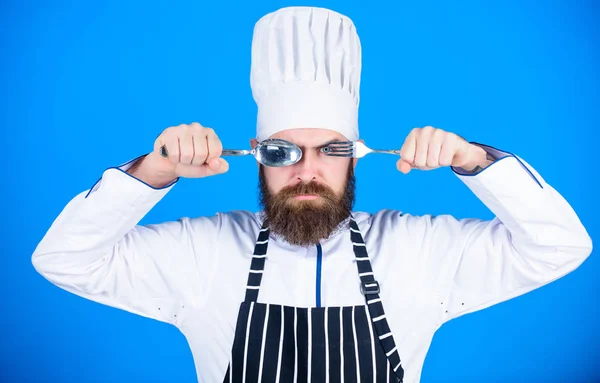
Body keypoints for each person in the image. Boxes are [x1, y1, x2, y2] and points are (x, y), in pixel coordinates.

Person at [32, 6, 592, 383]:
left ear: (355, 153)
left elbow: (560, 247)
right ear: (254, 152)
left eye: (331, 149)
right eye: (282, 152)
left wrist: (475, 161)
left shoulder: (419, 252)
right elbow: (63, 260)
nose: (306, 170)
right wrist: (154, 170)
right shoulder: (202, 254)